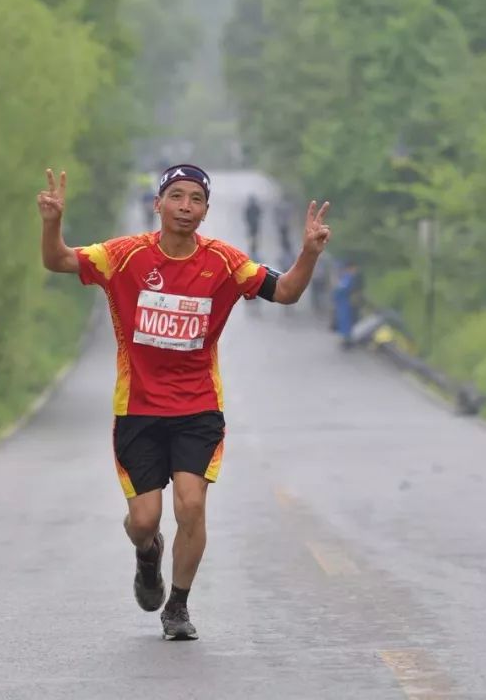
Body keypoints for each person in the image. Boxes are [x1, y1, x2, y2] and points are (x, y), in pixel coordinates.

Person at [37, 164, 331, 640]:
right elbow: (59, 261)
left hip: (197, 409)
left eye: (196, 199)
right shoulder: (124, 256)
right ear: (158, 204)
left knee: (191, 505)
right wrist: (52, 223)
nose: (185, 207)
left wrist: (308, 253)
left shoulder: (224, 263)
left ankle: (178, 606)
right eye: (176, 196)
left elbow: (287, 291)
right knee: (144, 520)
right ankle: (147, 554)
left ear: (206, 210)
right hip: (138, 411)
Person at [243, 194, 262, 259]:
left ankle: (253, 247)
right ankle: (253, 247)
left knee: (253, 237)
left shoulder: (251, 208)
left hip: (253, 224)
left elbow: (246, 216)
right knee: (253, 237)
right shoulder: (255, 207)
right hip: (253, 224)